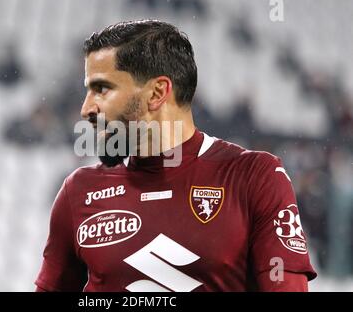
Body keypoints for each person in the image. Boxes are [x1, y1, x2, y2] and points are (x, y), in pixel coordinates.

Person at [35, 20, 317, 292]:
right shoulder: (79, 192)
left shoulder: (254, 177)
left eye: (103, 89)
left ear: (157, 93)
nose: (87, 109)